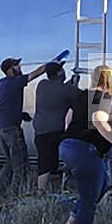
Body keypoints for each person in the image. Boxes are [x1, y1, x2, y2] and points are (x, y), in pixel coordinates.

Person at [59, 65, 112, 224]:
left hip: (68, 146)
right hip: (85, 149)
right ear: (108, 80)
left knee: (101, 186)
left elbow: (67, 119)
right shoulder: (105, 97)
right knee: (90, 196)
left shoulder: (80, 96)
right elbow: (98, 121)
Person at [0, 55, 59, 197]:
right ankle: (16, 195)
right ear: (9, 70)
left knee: (10, 162)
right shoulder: (14, 82)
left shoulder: (2, 83)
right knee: (20, 166)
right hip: (12, 130)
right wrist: (50, 64)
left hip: (2, 129)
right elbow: (35, 74)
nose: (19, 67)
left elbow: (1, 105)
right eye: (16, 65)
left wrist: (20, 114)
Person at [33, 62, 77, 193]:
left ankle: (44, 191)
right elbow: (73, 95)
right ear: (59, 73)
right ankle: (47, 191)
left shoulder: (42, 85)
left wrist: (71, 83)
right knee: (54, 162)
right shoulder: (66, 90)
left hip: (40, 130)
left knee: (45, 162)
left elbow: (60, 90)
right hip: (55, 131)